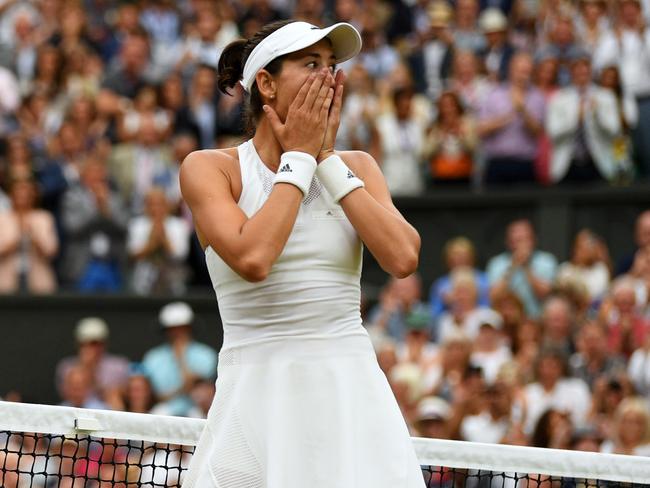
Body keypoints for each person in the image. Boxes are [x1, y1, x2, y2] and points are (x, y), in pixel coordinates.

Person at [179, 20, 423, 488]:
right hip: (255, 400)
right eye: (311, 64)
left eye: (332, 66)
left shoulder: (357, 166)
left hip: (352, 394)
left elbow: (403, 257)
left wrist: (326, 158)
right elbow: (254, 259)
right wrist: (300, 158)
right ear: (266, 84)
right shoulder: (210, 169)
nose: (328, 78)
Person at [141, 301, 218, 418]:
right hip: (164, 409)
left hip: (198, 409)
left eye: (182, 328)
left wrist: (181, 359)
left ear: (190, 328)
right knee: (158, 415)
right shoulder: (153, 357)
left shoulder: (206, 354)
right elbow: (157, 396)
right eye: (172, 329)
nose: (177, 333)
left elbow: (197, 390)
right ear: (165, 331)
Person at [487, 219, 558, 318]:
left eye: (524, 240)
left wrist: (526, 267)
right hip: (507, 320)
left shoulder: (546, 261)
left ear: (534, 240)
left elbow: (547, 296)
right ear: (508, 242)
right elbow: (494, 297)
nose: (520, 246)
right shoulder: (497, 263)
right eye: (515, 241)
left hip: (538, 320)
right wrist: (512, 267)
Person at [55, 317, 130, 409]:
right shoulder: (66, 366)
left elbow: (119, 399)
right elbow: (69, 396)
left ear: (104, 343)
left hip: (106, 414)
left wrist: (92, 371)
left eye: (94, 343)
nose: (89, 348)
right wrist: (83, 367)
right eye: (84, 343)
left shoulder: (118, 366)